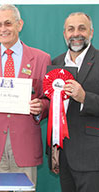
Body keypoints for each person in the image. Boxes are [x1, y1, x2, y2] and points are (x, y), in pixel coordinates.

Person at [0, 4, 51, 185]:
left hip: (25, 145)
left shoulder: (41, 58)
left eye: (8, 23)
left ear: (19, 24)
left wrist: (40, 107)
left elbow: (48, 100)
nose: (3, 29)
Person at [52, 12, 99, 192]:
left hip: (92, 158)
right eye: (71, 29)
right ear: (64, 34)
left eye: (82, 28)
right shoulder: (56, 63)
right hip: (63, 157)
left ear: (91, 32)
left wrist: (84, 98)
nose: (76, 34)